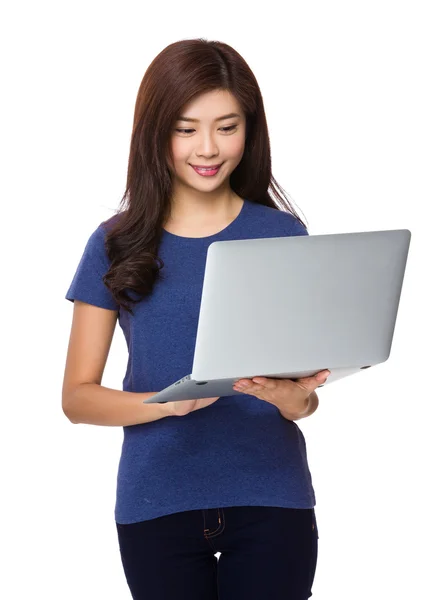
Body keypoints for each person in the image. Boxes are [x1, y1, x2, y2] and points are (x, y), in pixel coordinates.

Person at [62, 38, 329, 600]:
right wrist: (163, 403)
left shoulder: (281, 235)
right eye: (186, 128)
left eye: (226, 127)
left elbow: (304, 403)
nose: (207, 147)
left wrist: (288, 395)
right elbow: (77, 398)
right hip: (155, 501)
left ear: (248, 130)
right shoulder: (115, 243)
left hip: (271, 498)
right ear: (154, 131)